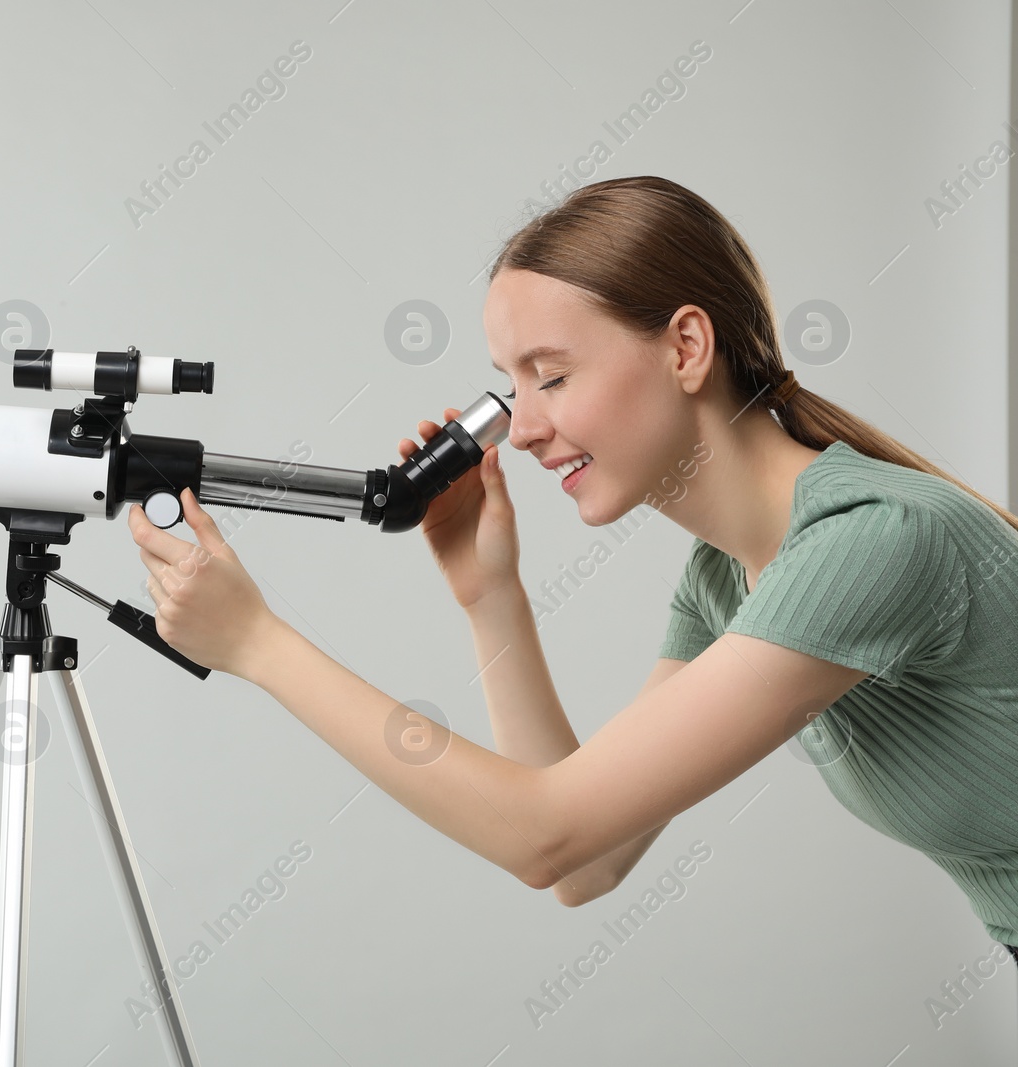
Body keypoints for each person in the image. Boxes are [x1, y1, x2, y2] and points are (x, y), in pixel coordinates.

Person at [126, 175, 1018, 965]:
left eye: (550, 377)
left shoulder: (872, 541)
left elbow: (546, 836)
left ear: (685, 348)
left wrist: (259, 645)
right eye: (513, 389)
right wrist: (490, 596)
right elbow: (588, 864)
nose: (521, 429)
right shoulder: (724, 580)